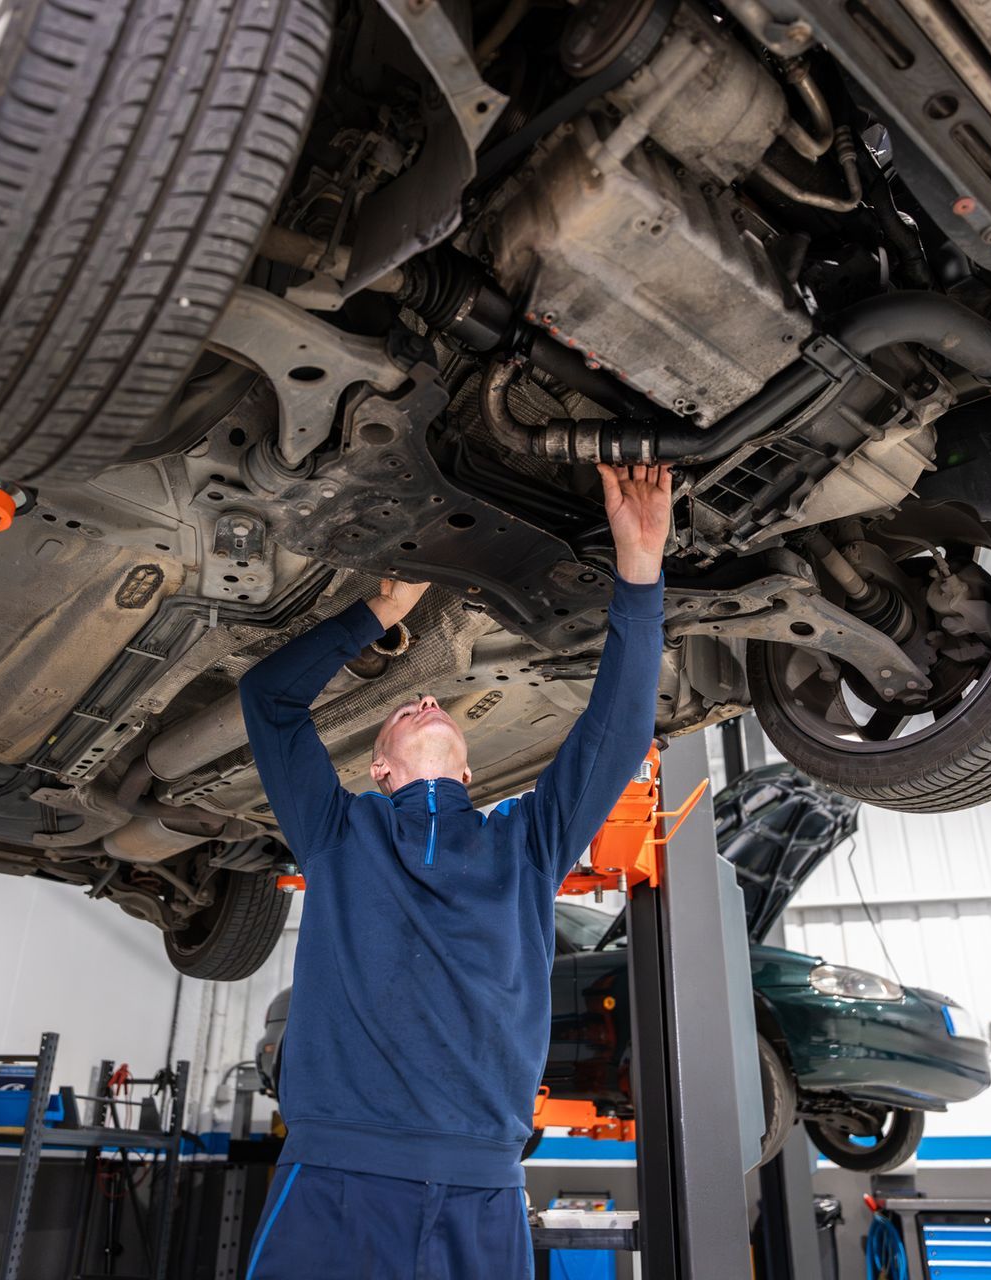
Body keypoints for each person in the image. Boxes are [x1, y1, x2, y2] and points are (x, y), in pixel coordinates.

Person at [236, 464, 674, 1279]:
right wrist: (379, 611)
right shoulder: (338, 832)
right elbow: (269, 699)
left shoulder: (527, 844)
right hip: (339, 1178)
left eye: (436, 708)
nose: (429, 703)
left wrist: (641, 570)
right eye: (408, 709)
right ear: (381, 771)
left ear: (469, 774)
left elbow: (614, 733)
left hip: (482, 1190)